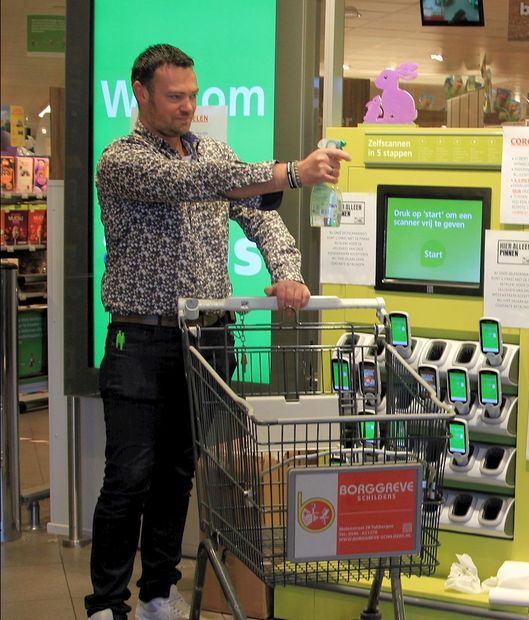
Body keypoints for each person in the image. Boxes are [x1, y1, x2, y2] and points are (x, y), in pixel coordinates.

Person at [86, 44, 350, 620]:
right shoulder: (123, 160)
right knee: (129, 476)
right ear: (141, 94)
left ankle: (157, 593)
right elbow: (199, 181)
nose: (187, 106)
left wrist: (286, 271)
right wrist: (289, 172)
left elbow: (259, 213)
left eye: (192, 95)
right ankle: (107, 603)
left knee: (179, 472)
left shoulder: (213, 152)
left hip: (207, 342)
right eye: (174, 96)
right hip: (142, 340)